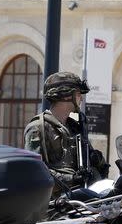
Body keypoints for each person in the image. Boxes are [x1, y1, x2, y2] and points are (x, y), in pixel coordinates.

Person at [24, 71, 109, 199]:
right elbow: (35, 172)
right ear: (65, 95)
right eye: (78, 94)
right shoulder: (38, 127)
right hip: (54, 206)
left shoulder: (75, 126)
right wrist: (72, 178)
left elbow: (89, 165)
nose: (81, 98)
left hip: (82, 201)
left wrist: (98, 161)